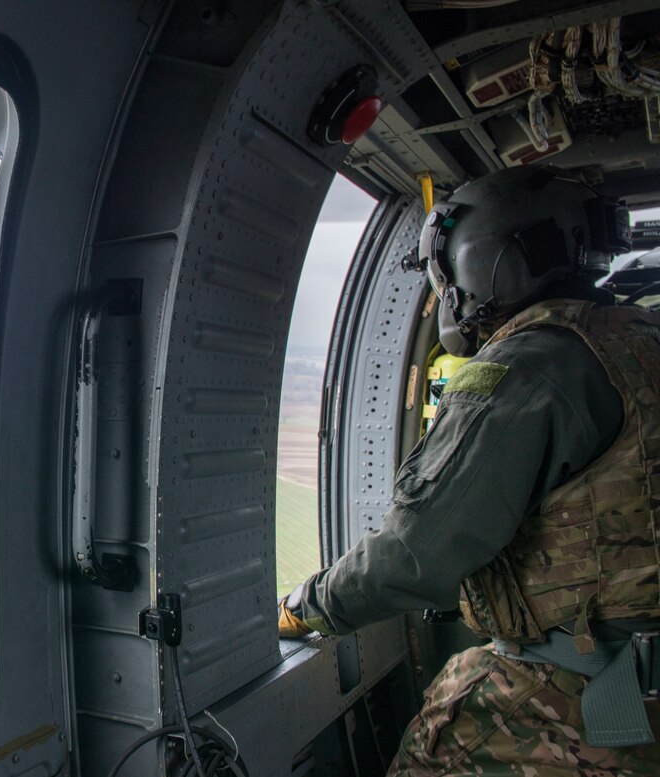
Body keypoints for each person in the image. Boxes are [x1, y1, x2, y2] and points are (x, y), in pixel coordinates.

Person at [279, 165, 660, 774]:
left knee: (428, 753)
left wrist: (310, 603)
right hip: (632, 685)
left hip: (592, 696)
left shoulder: (525, 367)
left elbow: (417, 552)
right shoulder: (642, 339)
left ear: (479, 265)